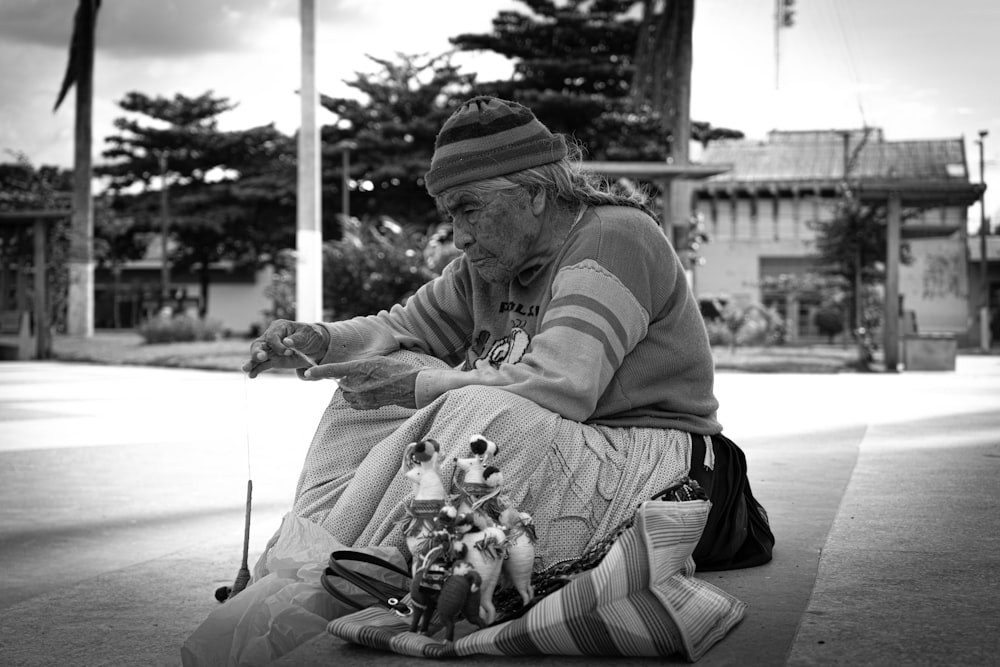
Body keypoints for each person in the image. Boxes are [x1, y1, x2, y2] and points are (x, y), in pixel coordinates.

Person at [183, 96, 773, 666]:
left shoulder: (614, 238)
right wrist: (320, 339)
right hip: (561, 449)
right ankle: (313, 563)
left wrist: (421, 387)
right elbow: (398, 331)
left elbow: (563, 386)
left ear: (538, 194)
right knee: (364, 393)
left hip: (674, 466)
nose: (459, 235)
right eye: (450, 215)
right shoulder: (485, 268)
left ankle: (383, 566)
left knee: (475, 407)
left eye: (470, 210)